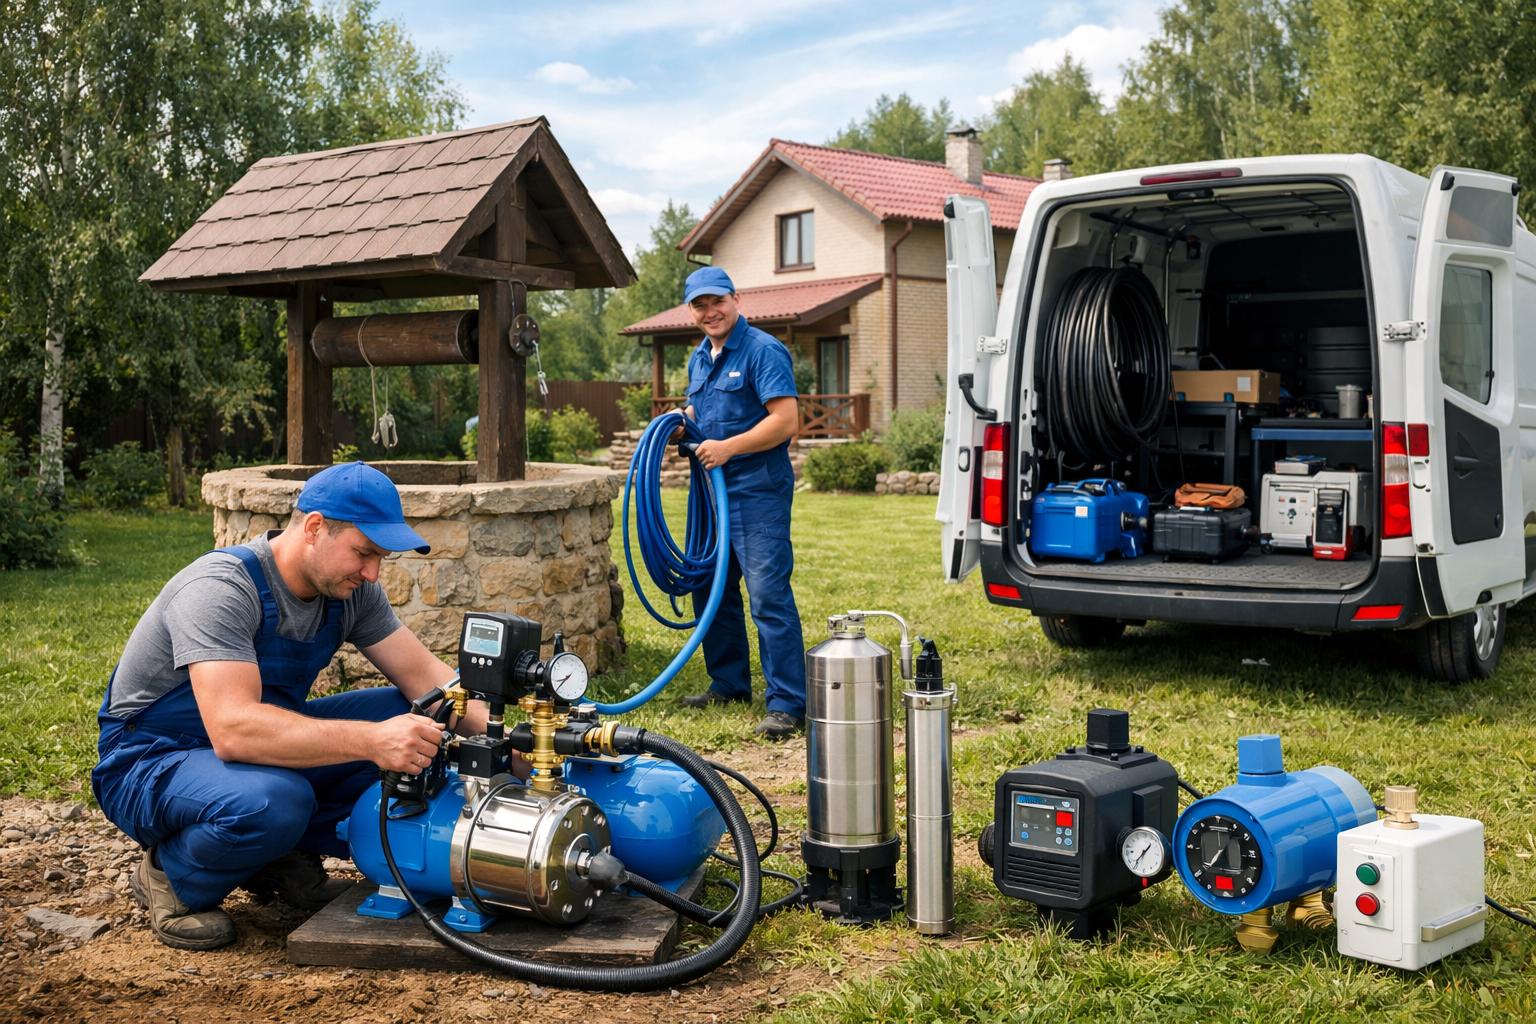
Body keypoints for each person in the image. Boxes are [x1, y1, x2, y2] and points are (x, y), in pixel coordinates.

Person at [92, 461, 503, 950]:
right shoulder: (221, 589)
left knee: (421, 715)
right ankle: (171, 878)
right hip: (150, 758)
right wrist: (372, 741)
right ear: (314, 528)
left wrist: (512, 747)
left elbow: (434, 685)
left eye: (381, 559)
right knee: (276, 800)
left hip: (249, 753)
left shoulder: (352, 593)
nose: (372, 573)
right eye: (363, 553)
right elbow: (235, 730)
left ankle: (277, 857)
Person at [674, 265, 806, 740]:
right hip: (711, 495)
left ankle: (788, 702)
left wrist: (728, 448)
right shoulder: (700, 358)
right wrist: (682, 419)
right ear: (692, 311)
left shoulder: (763, 351)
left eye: (717, 302)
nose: (710, 312)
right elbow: (706, 410)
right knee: (710, 589)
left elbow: (784, 421)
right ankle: (728, 683)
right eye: (700, 305)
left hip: (757, 493)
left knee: (768, 595)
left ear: (735, 299)